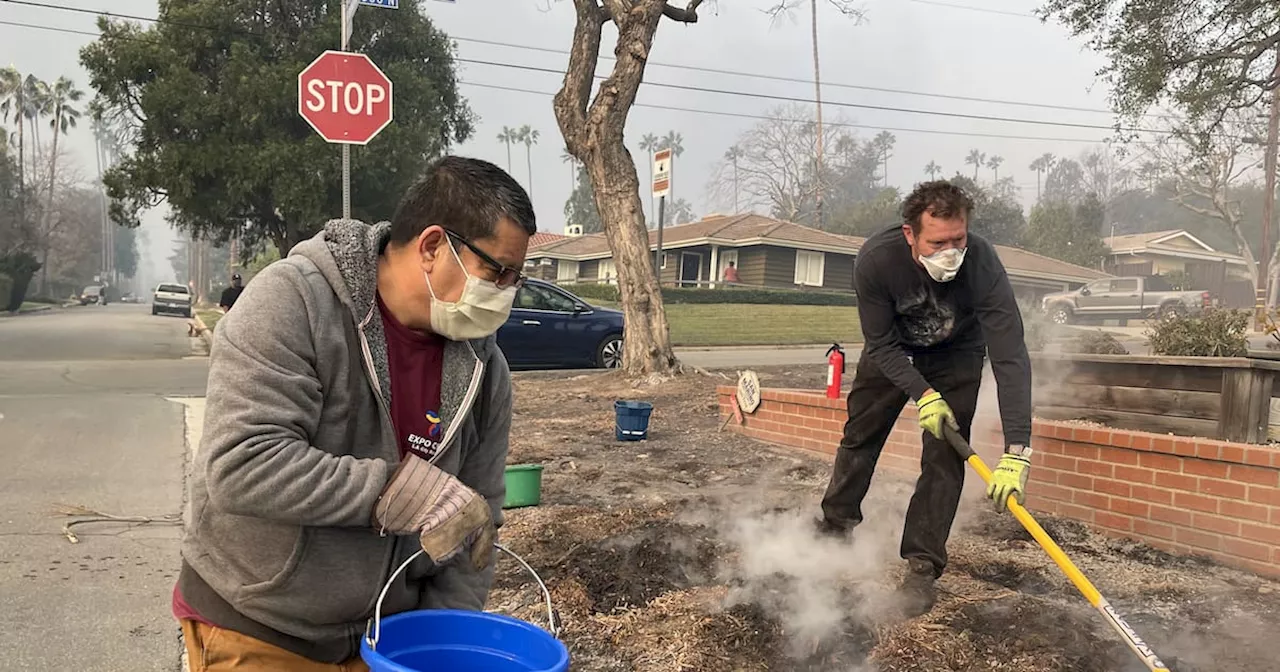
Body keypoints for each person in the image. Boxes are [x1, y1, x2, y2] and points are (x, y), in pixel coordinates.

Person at [174, 156, 536, 671]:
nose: (505, 293)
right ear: (433, 246)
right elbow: (241, 466)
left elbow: (476, 521)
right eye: (496, 271)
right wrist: (399, 493)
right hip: (261, 626)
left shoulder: (484, 366)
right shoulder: (293, 302)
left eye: (515, 278)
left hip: (387, 640)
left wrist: (439, 639)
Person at [815, 180, 1033, 617]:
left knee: (945, 457)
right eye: (937, 242)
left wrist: (1018, 450)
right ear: (910, 234)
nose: (950, 252)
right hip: (893, 352)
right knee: (861, 435)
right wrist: (921, 394)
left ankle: (922, 565)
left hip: (957, 354)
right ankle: (836, 526)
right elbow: (878, 342)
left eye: (959, 240)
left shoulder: (983, 264)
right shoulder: (877, 261)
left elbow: (1010, 354)